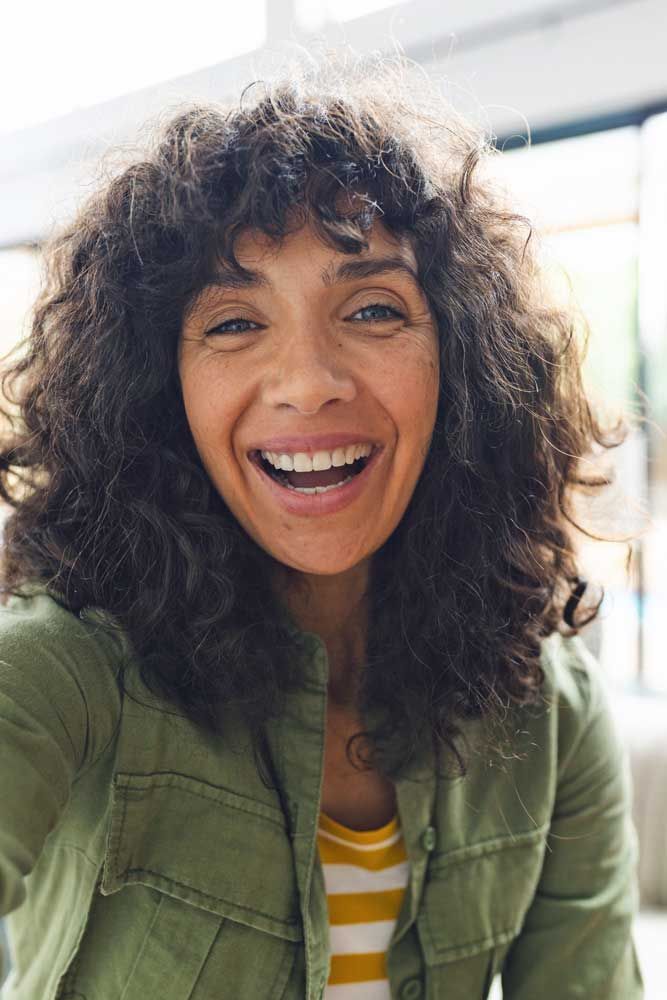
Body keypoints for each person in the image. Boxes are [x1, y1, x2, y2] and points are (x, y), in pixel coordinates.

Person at [0, 54, 643, 999]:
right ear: (155, 388)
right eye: (230, 324)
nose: (308, 380)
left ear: (459, 368)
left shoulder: (550, 708)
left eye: (374, 307)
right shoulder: (64, 672)